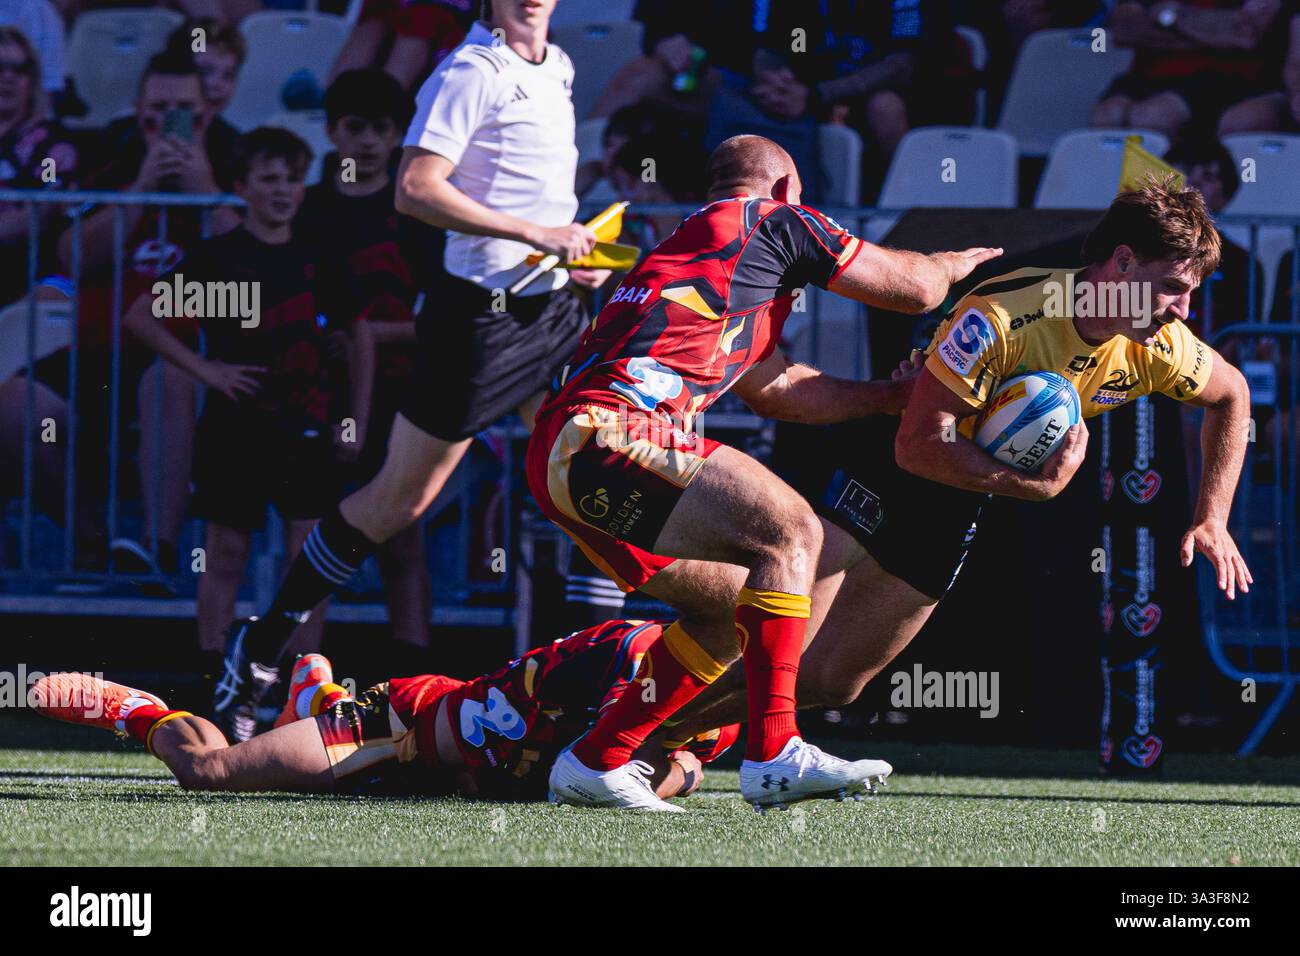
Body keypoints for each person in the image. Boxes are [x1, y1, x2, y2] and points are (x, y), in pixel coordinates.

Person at [659, 176, 1255, 751]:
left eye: (1192, 293)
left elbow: (1233, 396)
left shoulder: (1158, 346)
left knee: (831, 681)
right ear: (1122, 263)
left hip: (961, 495)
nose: (1183, 311)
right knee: (774, 638)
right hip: (891, 460)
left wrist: (1213, 517)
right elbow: (916, 447)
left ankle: (661, 731)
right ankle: (621, 716)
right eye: (1173, 287)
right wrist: (1032, 488)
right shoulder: (1005, 316)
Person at [527, 134, 1001, 811]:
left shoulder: (707, 259)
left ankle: (596, 759)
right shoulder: (773, 220)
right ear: (786, 192)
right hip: (607, 433)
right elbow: (914, 289)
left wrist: (891, 397)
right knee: (791, 530)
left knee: (732, 605)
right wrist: (951, 264)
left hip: (563, 460)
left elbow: (781, 391)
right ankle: (775, 752)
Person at [212, 0, 611, 744]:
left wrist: (570, 252)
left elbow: (535, 194)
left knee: (588, 481)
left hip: (553, 311)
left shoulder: (557, 64)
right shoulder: (468, 69)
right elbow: (416, 188)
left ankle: (590, 701)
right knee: (396, 501)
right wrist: (534, 232)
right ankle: (259, 650)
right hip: (479, 323)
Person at [30, 618, 775, 805]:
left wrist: (677, 769)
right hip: (407, 728)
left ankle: (314, 697)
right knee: (210, 772)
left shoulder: (717, 715)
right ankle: (139, 711)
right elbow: (567, 766)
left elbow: (691, 763)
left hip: (465, 771)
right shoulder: (622, 655)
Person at [122, 128, 347, 681]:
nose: (281, 190)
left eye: (292, 179)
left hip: (308, 426)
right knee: (224, 555)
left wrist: (354, 419)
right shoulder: (219, 257)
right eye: (268, 179)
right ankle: (212, 673)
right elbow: (140, 317)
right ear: (242, 186)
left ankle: (304, 682)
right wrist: (207, 371)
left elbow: (357, 334)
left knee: (307, 563)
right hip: (236, 428)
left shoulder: (319, 255)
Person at [294, 68, 443, 662]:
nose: (367, 140)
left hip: (400, 388)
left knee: (402, 534)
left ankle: (414, 671)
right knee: (312, 538)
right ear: (332, 132)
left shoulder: (415, 211)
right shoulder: (307, 207)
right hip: (316, 388)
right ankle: (300, 680)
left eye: (382, 128)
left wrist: (370, 335)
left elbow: (441, 315)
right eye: (354, 127)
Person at [1091, 1, 1289, 139]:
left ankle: (1165, 198)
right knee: (1106, 117)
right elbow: (1125, 30)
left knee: (1154, 116)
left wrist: (1167, 16)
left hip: (1229, 76)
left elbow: (1245, 35)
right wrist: (1209, 34)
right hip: (1150, 73)